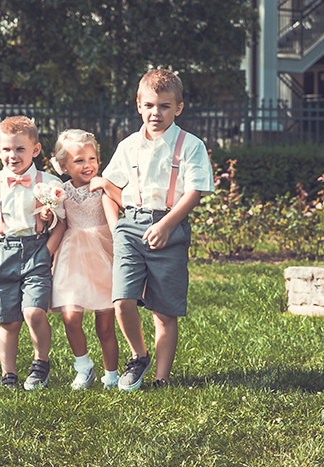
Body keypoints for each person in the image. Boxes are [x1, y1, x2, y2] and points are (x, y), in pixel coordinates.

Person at [91, 69, 214, 391]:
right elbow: (110, 187)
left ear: (179, 108)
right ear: (138, 106)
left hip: (169, 228)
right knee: (123, 300)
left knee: (164, 311)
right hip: (130, 227)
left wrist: (165, 224)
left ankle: (161, 379)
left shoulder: (191, 146)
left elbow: (195, 192)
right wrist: (118, 227)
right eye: (149, 105)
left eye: (164, 106)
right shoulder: (129, 145)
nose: (155, 113)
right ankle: (138, 355)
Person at [0, 116, 65, 390]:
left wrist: (47, 252)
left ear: (35, 149)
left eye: (20, 149)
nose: (13, 156)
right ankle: (8, 375)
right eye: (6, 149)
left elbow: (62, 222)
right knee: (9, 321)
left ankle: (40, 363)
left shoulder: (49, 182)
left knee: (34, 312)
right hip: (3, 253)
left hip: (37, 251)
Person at [49, 129, 121, 389]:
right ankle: (83, 367)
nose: (87, 165)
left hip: (103, 256)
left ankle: (111, 374)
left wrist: (108, 186)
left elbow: (124, 206)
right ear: (63, 165)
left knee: (105, 325)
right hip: (72, 259)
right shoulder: (61, 191)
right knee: (71, 317)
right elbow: (59, 224)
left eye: (92, 158)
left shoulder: (102, 186)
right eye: (79, 160)